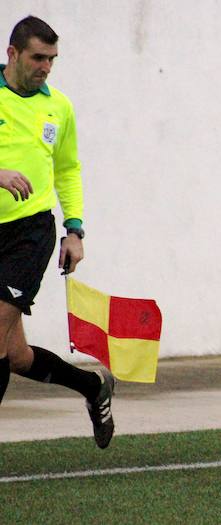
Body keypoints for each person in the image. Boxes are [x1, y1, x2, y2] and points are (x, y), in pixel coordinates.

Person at [0, 16, 115, 448]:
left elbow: (68, 169)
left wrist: (75, 229)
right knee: (15, 356)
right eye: (37, 57)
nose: (46, 66)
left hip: (30, 234)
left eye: (52, 59)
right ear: (12, 54)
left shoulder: (58, 107)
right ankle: (92, 386)